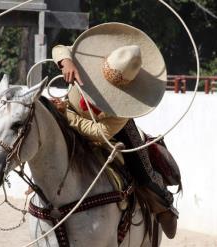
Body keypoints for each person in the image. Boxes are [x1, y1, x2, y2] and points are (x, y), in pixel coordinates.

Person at [50, 23, 179, 239]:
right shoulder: (84, 60)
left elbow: (100, 132)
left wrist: (65, 115)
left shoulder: (124, 111)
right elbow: (60, 48)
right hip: (70, 113)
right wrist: (66, 61)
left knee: (143, 172)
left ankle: (164, 206)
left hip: (112, 130)